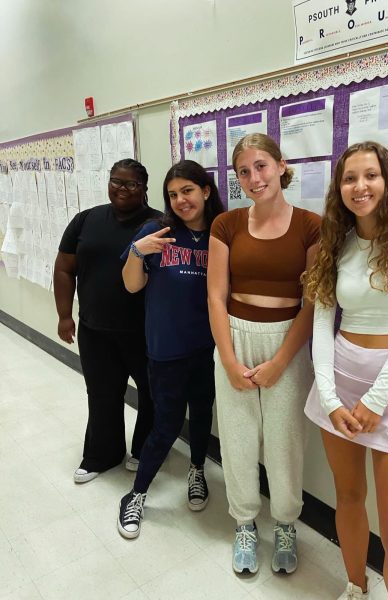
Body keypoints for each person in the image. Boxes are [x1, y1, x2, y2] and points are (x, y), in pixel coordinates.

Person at [304, 141, 388, 600]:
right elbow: (322, 325)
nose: (359, 186)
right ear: (338, 188)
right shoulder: (335, 245)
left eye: (370, 175)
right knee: (348, 499)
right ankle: (356, 586)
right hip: (339, 385)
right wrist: (329, 399)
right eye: (349, 178)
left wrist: (376, 400)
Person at [208, 133, 320, 575]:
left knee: (284, 440)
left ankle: (286, 523)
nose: (254, 178)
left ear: (280, 166)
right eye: (243, 171)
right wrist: (229, 359)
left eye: (261, 166)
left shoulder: (311, 225)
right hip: (235, 337)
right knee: (236, 438)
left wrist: (280, 361)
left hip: (287, 341)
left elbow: (313, 301)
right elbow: (216, 296)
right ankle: (245, 523)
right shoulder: (226, 225)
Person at [117, 160, 224, 539]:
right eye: (173, 194)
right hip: (165, 350)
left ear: (206, 191)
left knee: (201, 416)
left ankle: (197, 471)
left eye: (188, 191)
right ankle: (136, 495)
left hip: (209, 351)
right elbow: (132, 286)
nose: (181, 200)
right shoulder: (156, 231)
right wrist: (136, 251)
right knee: (164, 425)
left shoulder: (220, 233)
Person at [54, 159, 161, 483]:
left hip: (145, 333)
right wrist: (63, 315)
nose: (122, 189)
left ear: (144, 188)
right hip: (94, 330)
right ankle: (102, 455)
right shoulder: (86, 220)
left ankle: (145, 451)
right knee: (102, 394)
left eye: (131, 184)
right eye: (116, 181)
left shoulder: (159, 223)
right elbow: (63, 268)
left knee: (152, 394)